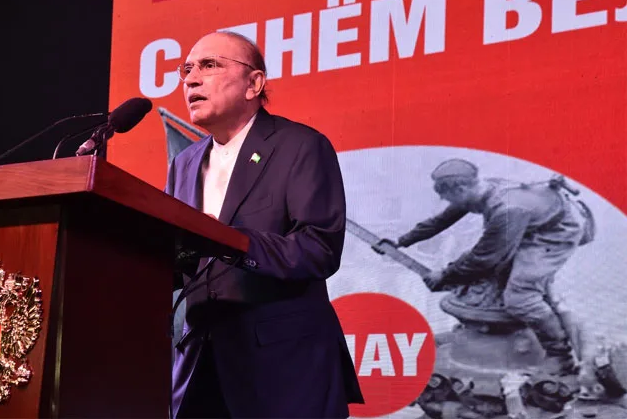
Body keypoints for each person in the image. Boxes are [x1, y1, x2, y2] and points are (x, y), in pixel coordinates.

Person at [164, 31, 364, 418]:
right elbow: (181, 258)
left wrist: (229, 241)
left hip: (281, 368)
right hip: (199, 366)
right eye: (186, 69)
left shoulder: (299, 145)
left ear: (254, 83)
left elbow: (319, 248)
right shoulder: (184, 163)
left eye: (209, 65)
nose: (191, 80)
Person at [393, 159, 586, 375]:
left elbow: (484, 257)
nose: (447, 202)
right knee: (495, 273)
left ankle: (560, 356)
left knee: (521, 297)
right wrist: (403, 241)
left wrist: (445, 275)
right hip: (529, 223)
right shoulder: (478, 190)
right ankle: (541, 323)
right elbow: (441, 221)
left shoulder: (506, 209)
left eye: (447, 197)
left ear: (460, 189)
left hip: (553, 234)